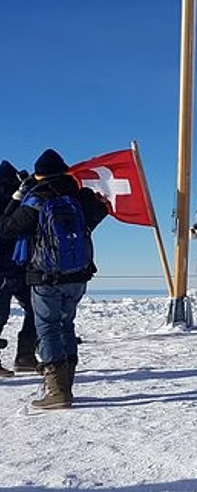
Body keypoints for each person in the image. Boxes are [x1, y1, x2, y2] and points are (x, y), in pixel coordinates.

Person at [0, 149, 108, 409]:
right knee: (66, 324)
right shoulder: (79, 196)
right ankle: (66, 384)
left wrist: (17, 198)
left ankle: (57, 391)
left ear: (38, 175)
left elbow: (6, 228)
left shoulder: (35, 200)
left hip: (45, 276)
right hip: (78, 274)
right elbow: (98, 215)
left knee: (47, 327)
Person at [0, 161, 38, 375]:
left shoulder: (19, 195)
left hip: (14, 266)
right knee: (34, 310)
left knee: (3, 314)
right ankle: (26, 355)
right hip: (18, 265)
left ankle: (26, 356)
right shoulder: (18, 197)